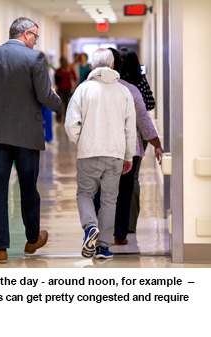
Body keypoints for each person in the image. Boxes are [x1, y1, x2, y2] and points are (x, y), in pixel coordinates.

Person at [0, 17, 62, 263]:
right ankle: (32, 239)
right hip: (26, 136)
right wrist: (60, 103)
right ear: (25, 35)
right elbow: (45, 96)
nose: (36, 41)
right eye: (35, 35)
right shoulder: (34, 59)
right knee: (28, 189)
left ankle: (1, 249)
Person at [65, 48, 136, 259]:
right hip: (115, 153)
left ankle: (89, 227)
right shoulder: (123, 92)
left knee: (85, 194)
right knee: (109, 200)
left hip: (89, 152)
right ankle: (103, 246)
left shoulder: (83, 90)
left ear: (93, 67)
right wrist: (129, 156)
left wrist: (81, 141)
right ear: (113, 65)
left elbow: (71, 124)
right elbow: (130, 128)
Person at [108, 48, 163, 244]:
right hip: (134, 142)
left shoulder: (101, 85)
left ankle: (107, 225)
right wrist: (155, 142)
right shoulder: (137, 84)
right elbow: (147, 110)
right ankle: (126, 226)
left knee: (108, 183)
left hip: (108, 142)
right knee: (130, 183)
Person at [119, 47, 156, 233]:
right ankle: (130, 223)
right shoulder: (140, 82)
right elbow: (150, 104)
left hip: (118, 134)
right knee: (133, 177)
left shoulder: (117, 84)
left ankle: (116, 221)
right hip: (140, 135)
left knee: (115, 177)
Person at [55, 56, 77, 122]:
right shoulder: (58, 70)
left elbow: (75, 78)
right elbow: (56, 80)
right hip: (60, 89)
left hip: (68, 89)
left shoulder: (70, 69)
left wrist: (73, 85)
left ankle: (67, 117)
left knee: (68, 104)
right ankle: (59, 117)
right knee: (60, 104)